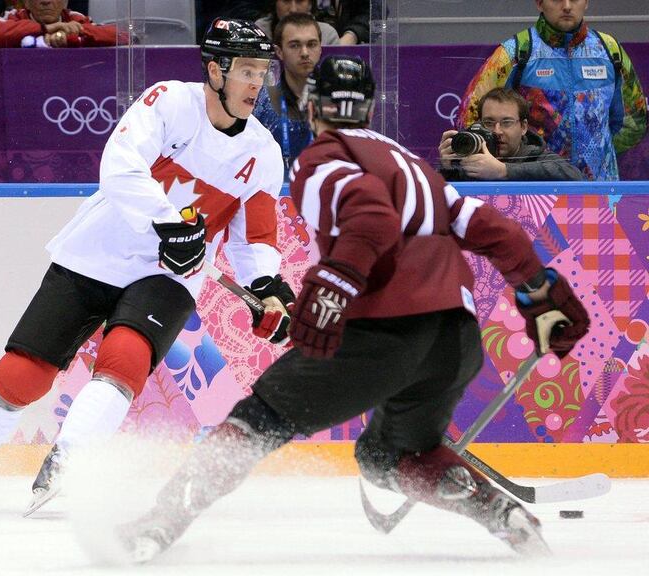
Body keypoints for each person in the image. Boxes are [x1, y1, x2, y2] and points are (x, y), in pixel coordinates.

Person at [113, 56, 591, 563]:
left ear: (311, 105)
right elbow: (499, 231)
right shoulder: (411, 164)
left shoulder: (320, 158)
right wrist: (540, 293)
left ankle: (159, 523)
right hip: (455, 337)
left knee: (257, 419)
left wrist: (329, 293)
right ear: (368, 107)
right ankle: (505, 515)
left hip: (383, 334)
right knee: (390, 454)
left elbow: (372, 221)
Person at [0, 18, 295, 514]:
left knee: (126, 358)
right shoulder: (169, 102)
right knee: (22, 373)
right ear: (215, 71)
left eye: (262, 71)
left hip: (169, 276)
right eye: (246, 70)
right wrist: (168, 223)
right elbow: (119, 165)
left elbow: (255, 235)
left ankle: (67, 461)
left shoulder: (263, 152)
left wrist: (265, 284)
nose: (256, 83)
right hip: (98, 253)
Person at [458, 0, 647, 181]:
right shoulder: (516, 52)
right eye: (556, 0)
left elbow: (635, 121)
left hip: (599, 192)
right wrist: (513, 164)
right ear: (539, 3)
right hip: (534, 193)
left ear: (586, 2)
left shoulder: (609, 51)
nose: (566, 6)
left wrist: (598, 154)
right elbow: (469, 116)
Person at [440, 87, 584, 181]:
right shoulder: (468, 158)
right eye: (489, 123)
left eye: (506, 122)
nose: (497, 131)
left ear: (523, 127)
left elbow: (575, 177)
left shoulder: (536, 156)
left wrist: (504, 171)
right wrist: (447, 170)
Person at [253, 12, 321, 176]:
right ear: (279, 51)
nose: (305, 52)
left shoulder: (336, 101)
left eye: (311, 44)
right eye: (295, 45)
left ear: (321, 48)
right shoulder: (260, 102)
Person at [0, 0, 127, 48]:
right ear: (26, 3)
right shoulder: (14, 17)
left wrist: (74, 34)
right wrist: (44, 29)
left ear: (65, 2)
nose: (46, 1)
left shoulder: (75, 18)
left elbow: (126, 36)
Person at [255, 0, 338, 46]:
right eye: (286, 1)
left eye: (300, 1)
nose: (293, 9)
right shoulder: (259, 31)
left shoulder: (327, 35)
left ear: (310, 4)